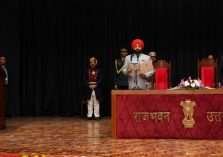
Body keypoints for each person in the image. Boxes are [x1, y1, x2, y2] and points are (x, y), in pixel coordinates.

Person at [83, 56, 103, 120]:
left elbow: (101, 79)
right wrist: (89, 85)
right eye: (91, 62)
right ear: (89, 63)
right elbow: (84, 79)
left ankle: (96, 115)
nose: (92, 63)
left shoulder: (99, 71)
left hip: (97, 88)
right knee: (89, 102)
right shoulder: (86, 71)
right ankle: (89, 115)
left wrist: (96, 85)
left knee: (96, 102)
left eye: (93, 62)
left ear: (95, 63)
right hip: (89, 88)